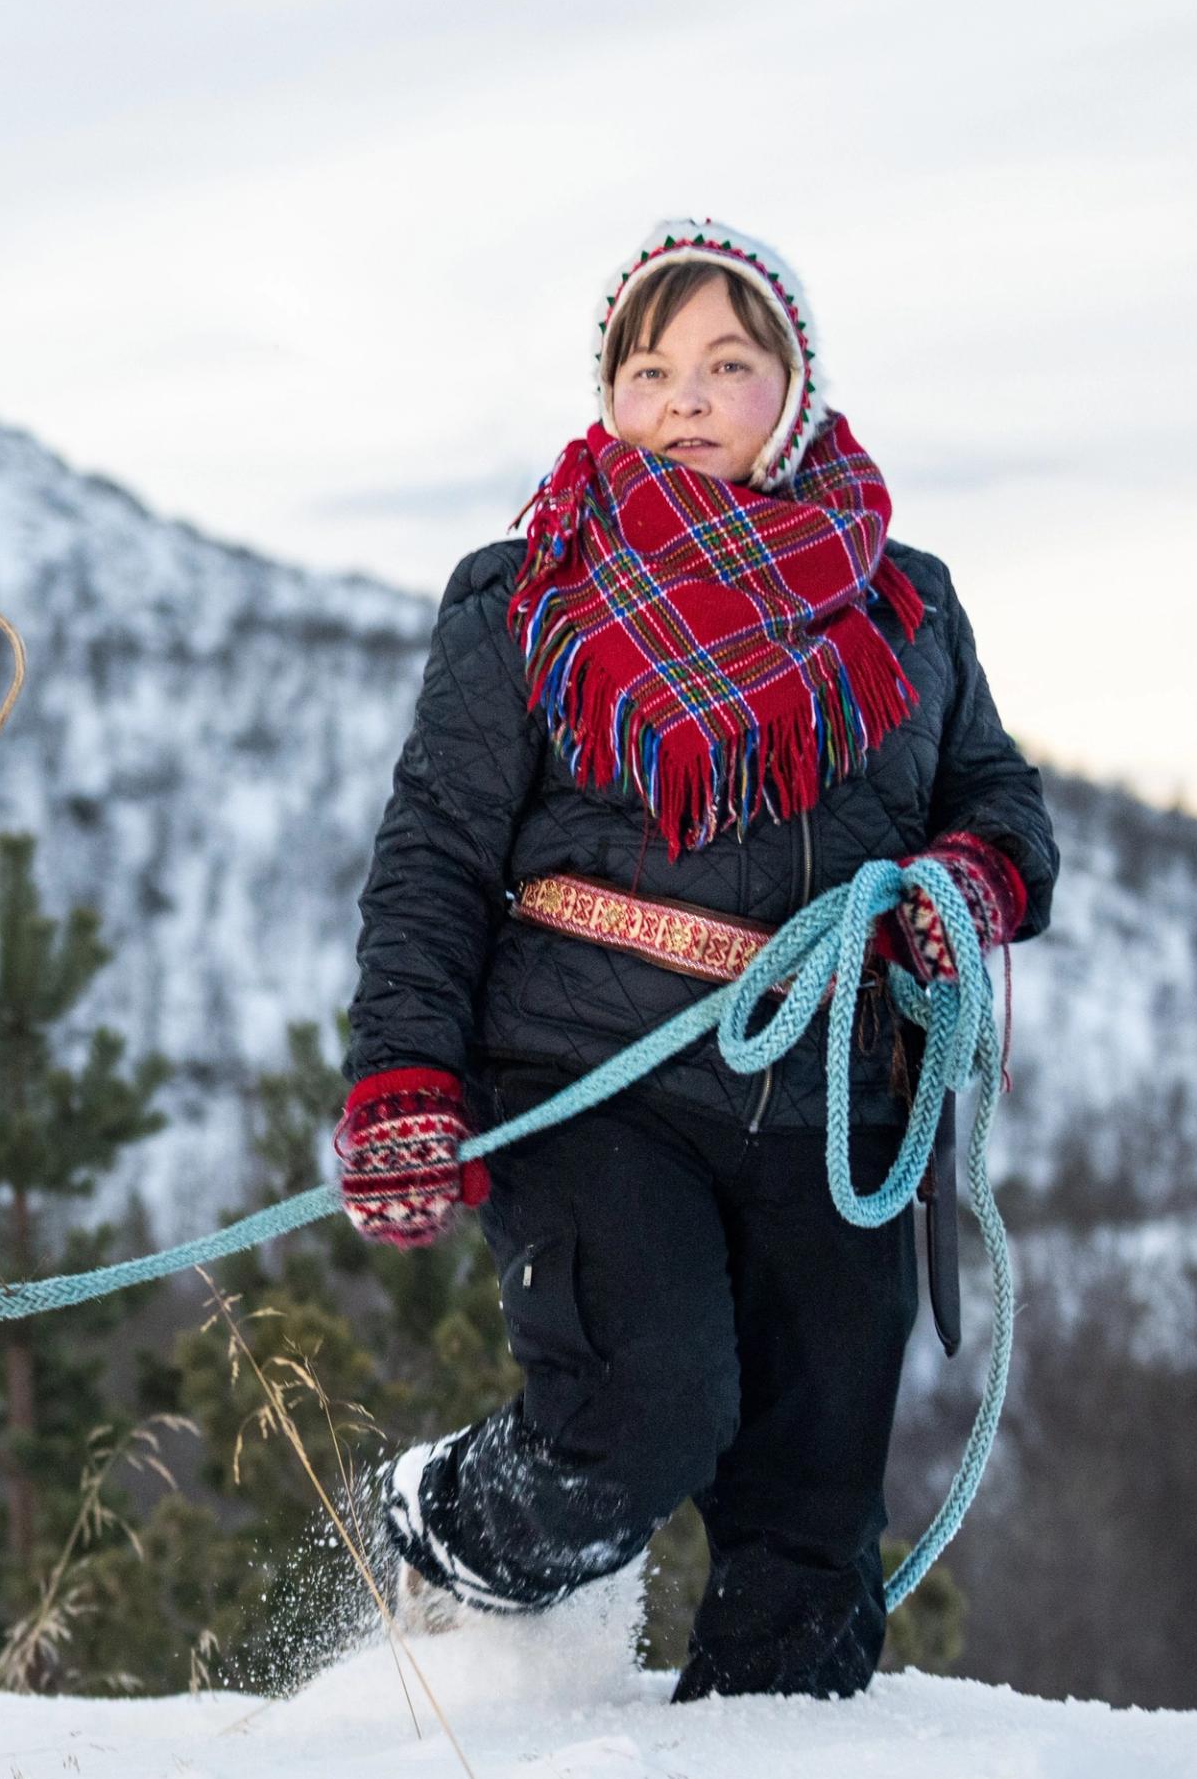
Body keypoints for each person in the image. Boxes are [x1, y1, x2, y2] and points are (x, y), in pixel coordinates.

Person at [337, 218, 1056, 1701]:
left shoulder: (905, 604)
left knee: (808, 1537)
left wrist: (964, 881)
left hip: (831, 1098)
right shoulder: (521, 592)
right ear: (608, 394)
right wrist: (404, 1076)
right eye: (650, 366)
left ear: (792, 386)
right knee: (643, 1417)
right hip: (592, 1081)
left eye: (730, 363)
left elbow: (999, 806)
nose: (685, 396)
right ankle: (449, 1534)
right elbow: (435, 857)